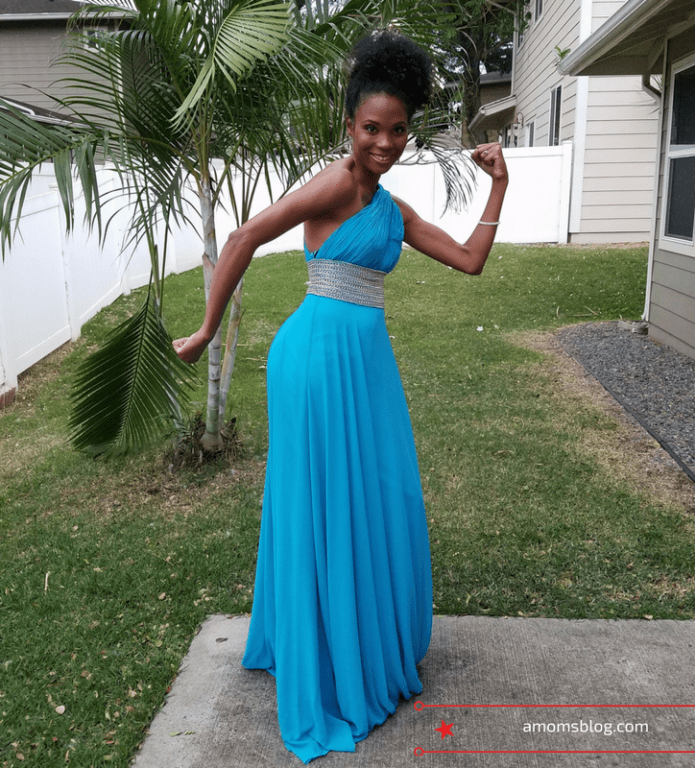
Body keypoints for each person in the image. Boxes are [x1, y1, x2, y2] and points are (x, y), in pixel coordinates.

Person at [174, 30, 508, 764]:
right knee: (327, 500)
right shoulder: (333, 185)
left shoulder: (390, 207)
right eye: (369, 129)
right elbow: (244, 238)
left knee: (382, 496)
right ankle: (326, 658)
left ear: (406, 131)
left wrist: (499, 186)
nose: (382, 143)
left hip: (366, 362)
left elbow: (472, 262)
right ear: (348, 126)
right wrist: (203, 331)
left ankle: (352, 636)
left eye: (395, 130)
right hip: (317, 358)